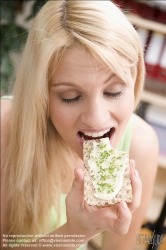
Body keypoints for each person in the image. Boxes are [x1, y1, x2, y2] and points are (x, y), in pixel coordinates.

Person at [1, 1, 158, 249]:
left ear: (135, 80)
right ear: (40, 95)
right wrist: (75, 232)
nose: (96, 119)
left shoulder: (141, 144)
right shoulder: (5, 128)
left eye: (114, 92)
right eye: (70, 97)